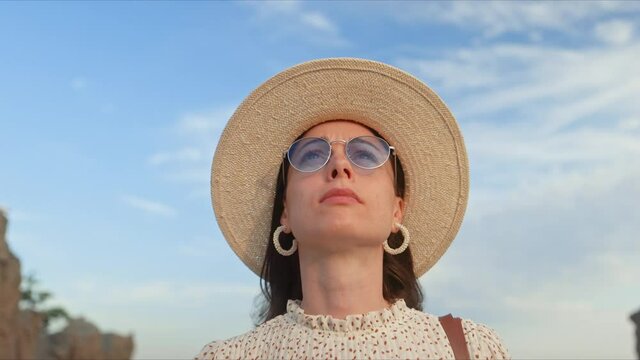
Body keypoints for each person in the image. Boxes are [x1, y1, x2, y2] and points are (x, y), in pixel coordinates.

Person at [196, 58, 510, 359]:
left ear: (397, 211)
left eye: (365, 154)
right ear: (286, 212)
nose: (339, 165)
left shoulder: (473, 349)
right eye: (310, 156)